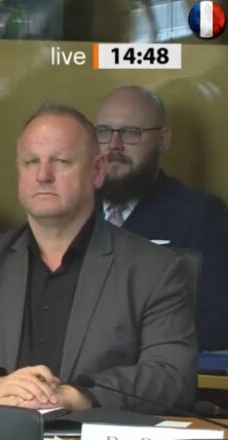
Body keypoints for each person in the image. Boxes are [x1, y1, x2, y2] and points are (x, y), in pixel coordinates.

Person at [0, 102, 197, 412]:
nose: (43, 175)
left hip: (92, 437)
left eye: (61, 161)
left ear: (97, 170)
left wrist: (72, 397)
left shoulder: (154, 269)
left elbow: (172, 376)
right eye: (32, 161)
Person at [95, 85, 228, 351]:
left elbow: (219, 322)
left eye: (131, 132)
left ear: (163, 140)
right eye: (103, 131)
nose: (114, 145)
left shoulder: (200, 214)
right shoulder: (72, 210)